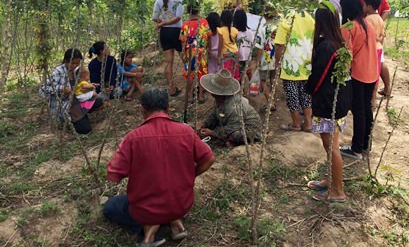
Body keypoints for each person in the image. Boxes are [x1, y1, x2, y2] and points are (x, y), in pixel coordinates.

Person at [103, 88, 215, 247]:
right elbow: (209, 159)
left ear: (142, 110)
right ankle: (175, 223)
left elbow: (113, 175)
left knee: (110, 207)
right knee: (165, 199)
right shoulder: (186, 131)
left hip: (147, 209)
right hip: (181, 205)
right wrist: (191, 175)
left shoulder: (133, 138)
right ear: (168, 108)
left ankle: (149, 232)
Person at [304, 8, 352, 203]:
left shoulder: (326, 47)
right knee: (330, 145)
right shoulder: (338, 43)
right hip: (338, 101)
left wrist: (307, 88)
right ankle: (331, 180)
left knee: (331, 146)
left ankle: (338, 191)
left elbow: (319, 77)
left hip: (329, 102)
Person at [339, 0, 378, 160]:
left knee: (358, 111)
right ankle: (365, 145)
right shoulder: (368, 25)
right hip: (371, 73)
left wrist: (342, 77)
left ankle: (356, 149)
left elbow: (346, 55)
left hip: (358, 74)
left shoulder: (348, 27)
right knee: (366, 110)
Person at [39, 48, 105, 134]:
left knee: (99, 101)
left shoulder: (78, 70)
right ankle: (75, 119)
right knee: (85, 130)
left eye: (77, 63)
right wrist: (61, 88)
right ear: (66, 61)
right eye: (72, 63)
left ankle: (82, 115)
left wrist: (90, 87)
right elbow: (42, 89)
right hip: (66, 106)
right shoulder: (58, 72)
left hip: (78, 100)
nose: (74, 66)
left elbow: (84, 84)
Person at [199, 69, 261, 147]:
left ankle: (232, 142)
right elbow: (214, 115)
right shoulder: (219, 100)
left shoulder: (234, 106)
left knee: (235, 135)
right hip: (232, 124)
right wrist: (204, 124)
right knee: (214, 125)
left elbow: (232, 128)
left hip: (248, 129)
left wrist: (212, 133)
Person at [274, 11, 315, 132]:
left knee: (292, 95)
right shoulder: (311, 20)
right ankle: (308, 124)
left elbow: (280, 45)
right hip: (306, 63)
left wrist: (277, 62)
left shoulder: (287, 19)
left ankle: (296, 124)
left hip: (290, 65)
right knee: (306, 95)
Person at [354, 0, 391, 97]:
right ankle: (386, 88)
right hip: (379, 34)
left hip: (368, 35)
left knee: (370, 64)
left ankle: (371, 95)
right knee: (380, 61)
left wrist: (369, 24)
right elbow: (386, 10)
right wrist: (378, 20)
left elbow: (359, 13)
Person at [152, 0, 185, 97]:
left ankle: (171, 89)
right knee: (184, 58)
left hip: (164, 33)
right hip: (177, 32)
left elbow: (155, 18)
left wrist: (162, 22)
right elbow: (178, 17)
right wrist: (165, 22)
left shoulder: (159, 0)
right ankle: (191, 85)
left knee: (169, 63)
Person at [179, 4, 211, 103]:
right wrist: (208, 49)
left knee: (190, 74)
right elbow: (209, 37)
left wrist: (183, 54)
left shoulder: (185, 24)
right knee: (202, 73)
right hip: (202, 52)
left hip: (190, 53)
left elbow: (183, 41)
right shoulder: (204, 22)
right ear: (199, 10)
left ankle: (189, 96)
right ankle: (200, 96)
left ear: (188, 11)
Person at [363, 0, 385, 108]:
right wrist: (380, 39)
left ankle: (371, 100)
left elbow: (368, 36)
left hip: (371, 49)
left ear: (369, 6)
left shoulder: (368, 20)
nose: (363, 7)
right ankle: (373, 99)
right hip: (379, 48)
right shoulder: (380, 19)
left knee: (370, 75)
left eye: (364, 5)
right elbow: (382, 35)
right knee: (376, 75)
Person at [255, 22, 277, 111]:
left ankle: (270, 102)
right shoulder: (277, 27)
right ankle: (274, 102)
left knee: (262, 81)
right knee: (273, 80)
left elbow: (260, 47)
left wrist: (257, 60)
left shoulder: (262, 28)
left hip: (265, 59)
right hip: (276, 58)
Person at [217, 10, 239, 80]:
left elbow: (220, 45)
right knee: (235, 71)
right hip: (235, 52)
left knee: (226, 72)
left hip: (226, 54)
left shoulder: (220, 30)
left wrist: (218, 56)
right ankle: (235, 86)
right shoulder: (235, 30)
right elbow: (235, 42)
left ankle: (227, 87)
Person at [234, 9, 254, 82]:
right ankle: (251, 86)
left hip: (238, 55)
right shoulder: (250, 32)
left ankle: (240, 88)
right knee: (248, 71)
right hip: (248, 55)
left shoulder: (235, 32)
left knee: (238, 73)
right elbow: (252, 43)